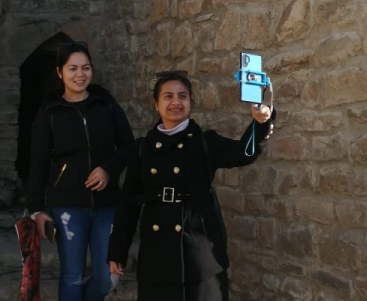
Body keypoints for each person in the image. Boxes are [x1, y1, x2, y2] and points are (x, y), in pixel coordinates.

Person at [107, 70, 275, 301]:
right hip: (157, 259)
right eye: (168, 96)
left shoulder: (205, 143)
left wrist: (260, 124)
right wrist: (117, 251)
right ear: (156, 104)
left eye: (182, 96)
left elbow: (242, 153)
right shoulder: (142, 149)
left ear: (191, 102)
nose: (176, 102)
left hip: (200, 257)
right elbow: (128, 204)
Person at [27, 41, 135, 301]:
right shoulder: (49, 113)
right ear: (60, 72)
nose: (80, 74)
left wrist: (108, 169)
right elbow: (38, 163)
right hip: (67, 207)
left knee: (107, 277)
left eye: (85, 67)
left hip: (107, 205)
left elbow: (129, 146)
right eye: (72, 68)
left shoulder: (106, 104)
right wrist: (36, 210)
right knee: (72, 275)